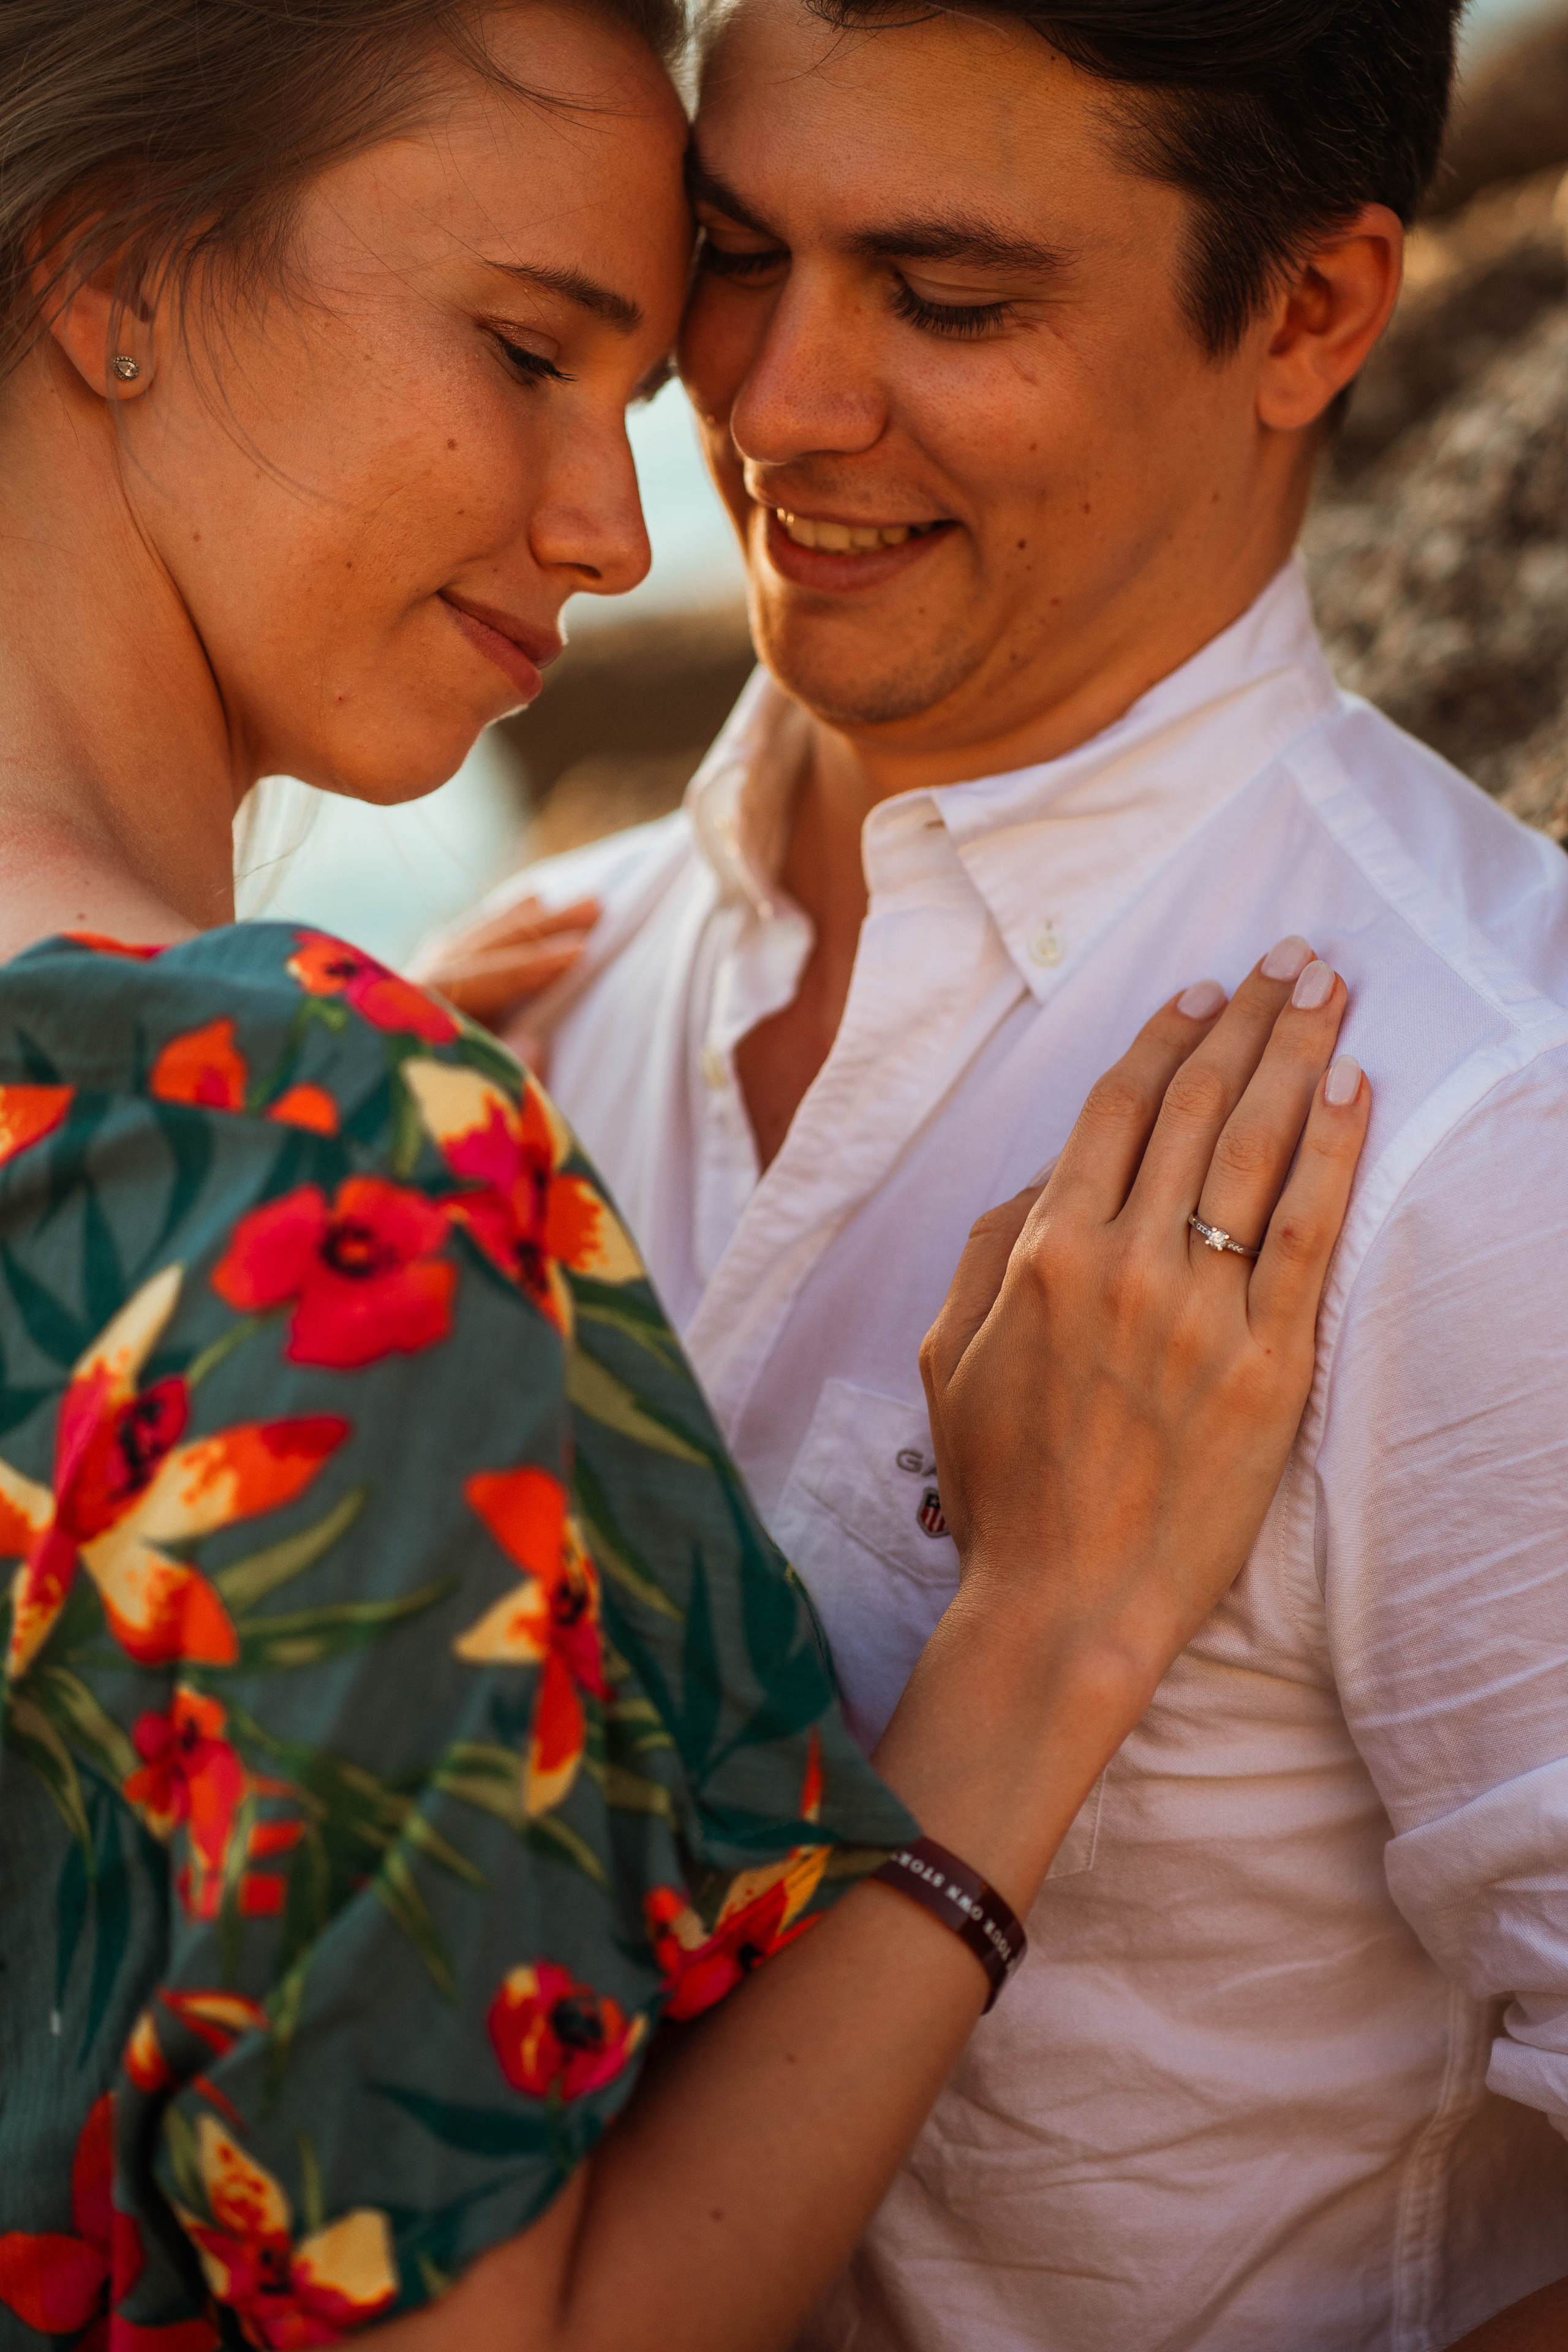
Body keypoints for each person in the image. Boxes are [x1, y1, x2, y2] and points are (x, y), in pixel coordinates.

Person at [0, 4, 1371, 2350]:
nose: (620, 527)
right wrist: (1044, 1634)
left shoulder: (212, 1108)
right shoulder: (311, 1151)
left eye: (633, 393)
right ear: (114, 271)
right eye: (526, 350)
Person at [423, 0, 1568, 2345]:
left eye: (951, 302)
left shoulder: (1479, 1129)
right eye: (733, 256)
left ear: (1316, 312)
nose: (772, 401)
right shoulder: (520, 1014)